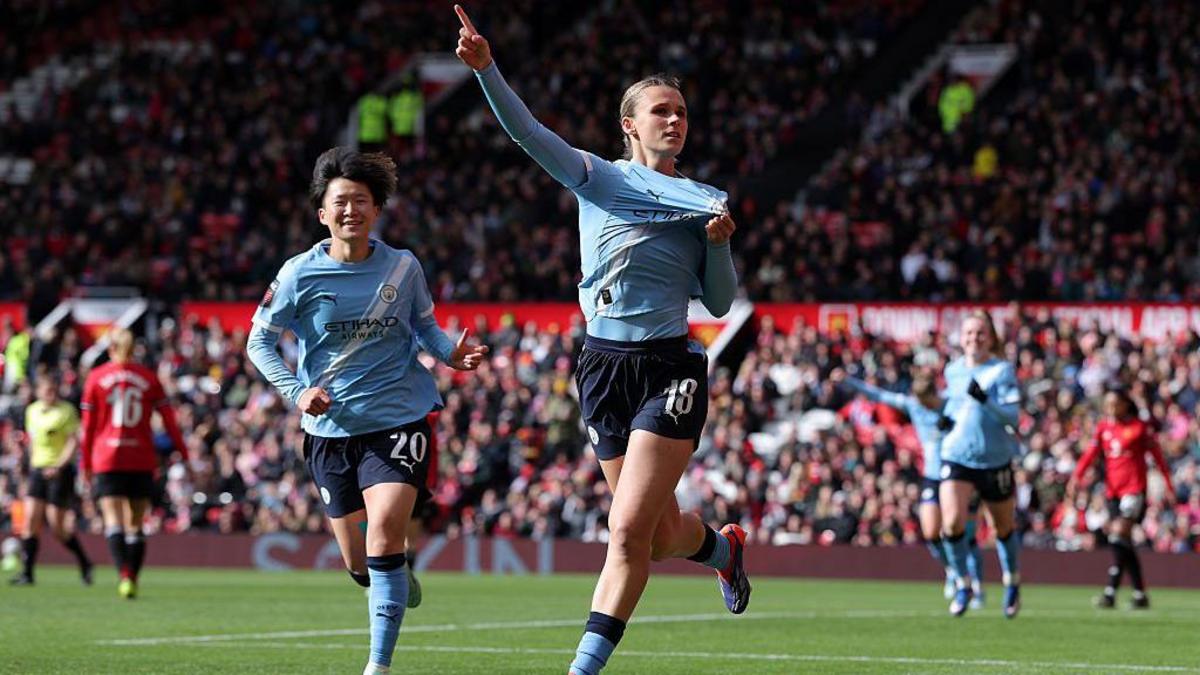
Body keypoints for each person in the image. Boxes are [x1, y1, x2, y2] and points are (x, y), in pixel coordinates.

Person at [454, 6, 744, 674]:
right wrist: (486, 70)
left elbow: (721, 301)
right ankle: (724, 550)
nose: (674, 120)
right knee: (663, 532)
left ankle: (580, 668)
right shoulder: (598, 176)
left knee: (625, 533)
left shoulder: (705, 198)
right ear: (630, 125)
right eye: (661, 111)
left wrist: (719, 248)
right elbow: (528, 134)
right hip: (601, 365)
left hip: (670, 367)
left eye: (681, 112)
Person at [245, 147, 487, 675]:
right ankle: (391, 574)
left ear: (377, 210)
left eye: (361, 200)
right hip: (329, 429)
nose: (351, 209)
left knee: (384, 534)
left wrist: (452, 354)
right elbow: (258, 342)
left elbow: (424, 327)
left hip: (400, 418)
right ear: (323, 214)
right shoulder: (297, 275)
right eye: (341, 202)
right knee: (359, 561)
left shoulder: (403, 266)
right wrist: (296, 391)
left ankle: (378, 665)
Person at [833, 368, 985, 605]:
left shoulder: (951, 403)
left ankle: (975, 585)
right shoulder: (913, 404)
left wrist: (955, 427)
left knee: (961, 532)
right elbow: (879, 395)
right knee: (931, 531)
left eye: (928, 402)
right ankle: (953, 571)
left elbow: (973, 418)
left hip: (956, 473)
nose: (924, 406)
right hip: (932, 476)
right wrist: (848, 381)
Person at [79, 329, 190, 599]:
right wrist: (183, 452)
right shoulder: (149, 377)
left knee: (113, 521)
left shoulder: (96, 378)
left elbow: (88, 428)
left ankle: (124, 575)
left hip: (106, 457)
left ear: (111, 349)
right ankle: (133, 578)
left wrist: (85, 464)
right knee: (136, 523)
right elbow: (169, 421)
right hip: (140, 456)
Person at [938, 310, 1022, 618]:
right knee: (951, 523)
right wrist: (944, 421)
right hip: (957, 455)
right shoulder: (952, 370)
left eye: (980, 333)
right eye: (969, 333)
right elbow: (954, 407)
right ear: (961, 338)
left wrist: (986, 401)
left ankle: (1012, 582)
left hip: (994, 458)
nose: (974, 338)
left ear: (991, 338)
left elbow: (1013, 418)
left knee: (1003, 528)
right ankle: (963, 584)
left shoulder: (1001, 371)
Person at [1067, 388, 1175, 609]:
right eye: (1107, 404)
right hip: (1112, 492)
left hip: (1134, 491)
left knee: (1118, 532)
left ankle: (1110, 591)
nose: (1110, 408)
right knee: (1121, 542)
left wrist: (1168, 484)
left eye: (1114, 403)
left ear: (1125, 404)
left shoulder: (1138, 428)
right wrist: (1075, 476)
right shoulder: (1104, 428)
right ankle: (1139, 594)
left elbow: (1158, 457)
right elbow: (1090, 454)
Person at [10, 378, 92, 586]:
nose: (51, 393)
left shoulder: (66, 411)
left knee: (57, 526)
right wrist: (29, 467)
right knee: (30, 521)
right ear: (38, 391)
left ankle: (84, 562)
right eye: (47, 390)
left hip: (60, 472)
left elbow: (73, 442)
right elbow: (33, 443)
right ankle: (27, 573)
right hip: (38, 470)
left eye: (53, 389)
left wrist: (58, 467)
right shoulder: (33, 411)